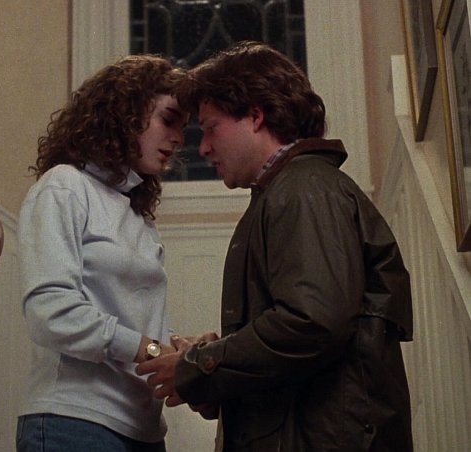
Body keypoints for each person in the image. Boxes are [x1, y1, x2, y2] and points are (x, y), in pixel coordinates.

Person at [136, 41, 414, 451]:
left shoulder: (303, 190)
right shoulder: (292, 191)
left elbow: (312, 323)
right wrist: (208, 368)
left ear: (255, 115)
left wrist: (199, 366)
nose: (203, 147)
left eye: (211, 128)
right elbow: (299, 344)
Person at [16, 54, 190, 452]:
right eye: (169, 119)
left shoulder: (136, 213)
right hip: (73, 421)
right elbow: (50, 314)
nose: (179, 138)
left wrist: (178, 348)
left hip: (143, 429)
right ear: (125, 112)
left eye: (183, 126)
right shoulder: (64, 186)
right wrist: (150, 348)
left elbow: (128, 320)